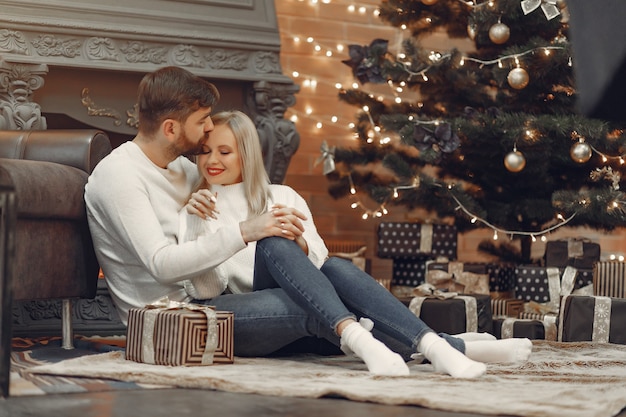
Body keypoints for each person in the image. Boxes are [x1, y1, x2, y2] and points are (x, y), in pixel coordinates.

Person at [176, 109, 533, 378]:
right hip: (251, 317)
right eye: (205, 152)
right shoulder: (197, 205)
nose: (212, 161)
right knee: (278, 250)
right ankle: (448, 344)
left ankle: (432, 346)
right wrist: (197, 224)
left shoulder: (281, 195)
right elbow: (207, 288)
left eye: (224, 151)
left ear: (246, 154)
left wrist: (297, 241)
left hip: (309, 313)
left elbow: (320, 264)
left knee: (330, 266)